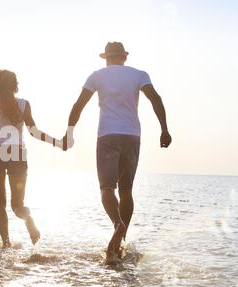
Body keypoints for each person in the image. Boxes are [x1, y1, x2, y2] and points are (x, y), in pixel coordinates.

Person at [62, 42, 172, 264]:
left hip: (107, 137)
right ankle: (120, 240)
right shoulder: (139, 75)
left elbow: (78, 105)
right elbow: (156, 99)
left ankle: (117, 225)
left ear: (106, 58)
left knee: (106, 188)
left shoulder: (97, 76)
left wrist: (69, 133)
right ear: (124, 57)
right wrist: (164, 129)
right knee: (126, 190)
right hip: (132, 137)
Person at [0, 70, 63, 249]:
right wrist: (56, 142)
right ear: (14, 86)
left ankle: (6, 243)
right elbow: (34, 132)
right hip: (18, 155)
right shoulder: (23, 105)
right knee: (17, 206)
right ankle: (28, 219)